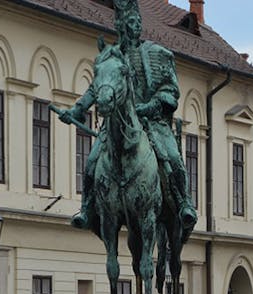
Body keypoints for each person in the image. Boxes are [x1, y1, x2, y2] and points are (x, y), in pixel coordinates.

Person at [58, 0, 196, 238]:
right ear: (120, 25)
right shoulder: (112, 57)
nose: (132, 27)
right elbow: (97, 88)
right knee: (92, 161)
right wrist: (78, 109)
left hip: (152, 122)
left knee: (173, 157)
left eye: (134, 22)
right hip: (119, 125)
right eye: (126, 23)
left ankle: (184, 204)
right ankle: (87, 208)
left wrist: (151, 106)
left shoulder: (157, 54)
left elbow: (170, 91)